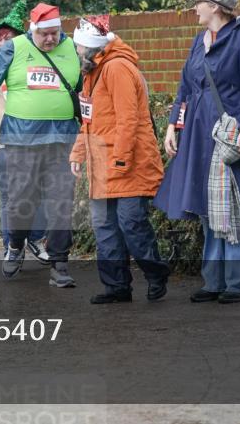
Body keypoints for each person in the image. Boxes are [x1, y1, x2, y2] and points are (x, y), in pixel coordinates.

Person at [153, 0, 240, 304]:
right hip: (198, 135)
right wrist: (172, 126)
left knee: (236, 207)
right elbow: (185, 88)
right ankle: (214, 281)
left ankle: (239, 283)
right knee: (209, 207)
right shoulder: (199, 41)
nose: (195, 8)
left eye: (199, 3)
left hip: (229, 134)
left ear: (216, 7)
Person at [0, 2, 80, 288]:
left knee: (61, 203)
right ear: (32, 30)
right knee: (21, 202)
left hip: (63, 140)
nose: (50, 39)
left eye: (55, 33)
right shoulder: (14, 48)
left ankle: (60, 264)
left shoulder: (74, 48)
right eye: (44, 34)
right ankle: (16, 245)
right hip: (21, 140)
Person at [69, 15, 171, 304]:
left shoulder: (117, 68)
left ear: (90, 46)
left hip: (128, 163)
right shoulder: (92, 72)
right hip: (104, 163)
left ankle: (155, 273)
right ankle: (116, 287)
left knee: (131, 224)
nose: (76, 51)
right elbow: (87, 120)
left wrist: (122, 160)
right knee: (105, 228)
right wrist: (78, 153)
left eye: (78, 46)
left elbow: (129, 119)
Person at [0, 0, 50, 264]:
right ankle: (12, 246)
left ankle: (34, 237)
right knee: (10, 196)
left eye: (7, 37)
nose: (1, 43)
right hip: (5, 143)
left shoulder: (34, 66)